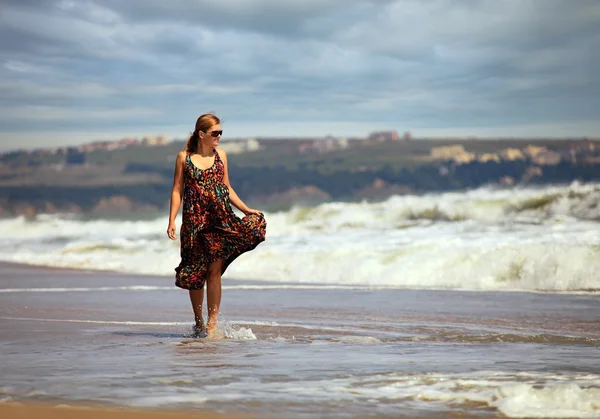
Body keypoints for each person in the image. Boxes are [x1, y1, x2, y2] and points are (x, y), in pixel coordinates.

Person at [167, 113, 266, 338]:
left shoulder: (221, 155)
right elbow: (177, 190)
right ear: (201, 134)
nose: (219, 137)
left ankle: (212, 324)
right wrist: (172, 219)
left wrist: (246, 210)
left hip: (219, 221)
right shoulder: (184, 157)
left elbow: (227, 188)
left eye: (221, 132)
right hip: (194, 222)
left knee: (214, 272)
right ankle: (198, 320)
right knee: (195, 273)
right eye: (215, 133)